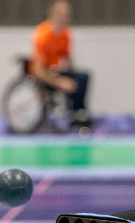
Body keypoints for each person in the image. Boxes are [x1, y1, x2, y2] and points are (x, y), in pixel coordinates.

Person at [30, 0, 91, 129]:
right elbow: (39, 72)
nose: (65, 18)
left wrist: (72, 76)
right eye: (62, 14)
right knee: (68, 82)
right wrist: (60, 82)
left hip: (57, 71)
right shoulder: (43, 35)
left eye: (67, 15)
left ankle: (77, 113)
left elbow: (67, 60)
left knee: (83, 77)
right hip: (44, 74)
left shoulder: (65, 34)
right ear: (53, 14)